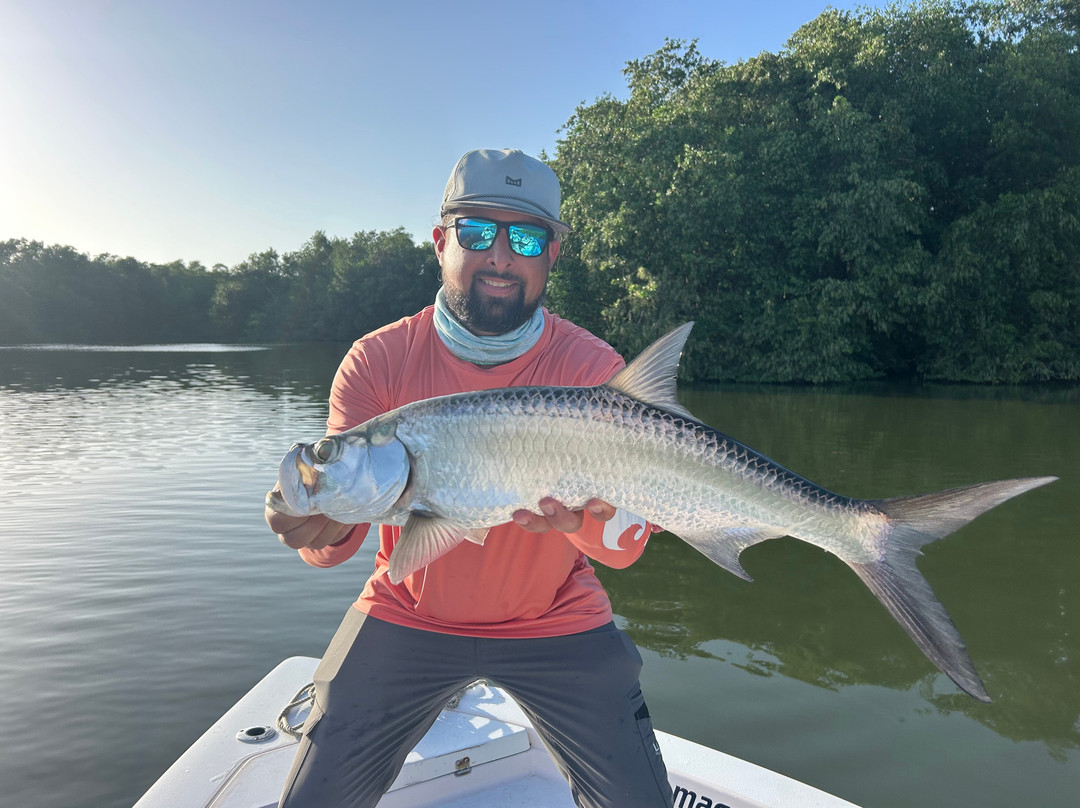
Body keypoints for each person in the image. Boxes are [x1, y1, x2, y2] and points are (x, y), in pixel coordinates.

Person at [265, 148, 673, 808]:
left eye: (527, 236)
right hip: (409, 610)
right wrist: (312, 520)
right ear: (441, 241)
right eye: (478, 232)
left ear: (553, 253)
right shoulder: (377, 362)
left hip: (556, 616)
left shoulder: (593, 366)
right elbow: (329, 543)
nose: (502, 256)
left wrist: (585, 524)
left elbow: (627, 548)